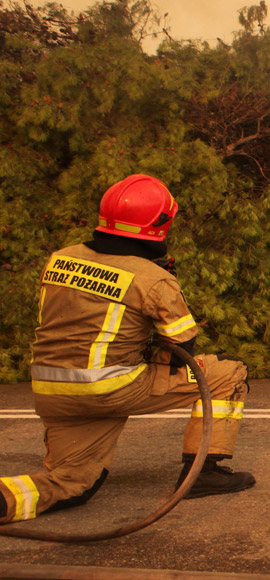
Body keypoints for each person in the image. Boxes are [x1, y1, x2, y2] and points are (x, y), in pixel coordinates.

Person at [1, 174, 255, 525]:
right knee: (228, 371)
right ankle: (204, 472)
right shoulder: (152, 278)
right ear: (161, 224)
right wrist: (164, 288)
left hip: (53, 391)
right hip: (110, 388)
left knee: (72, 484)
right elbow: (179, 346)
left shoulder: (60, 259)